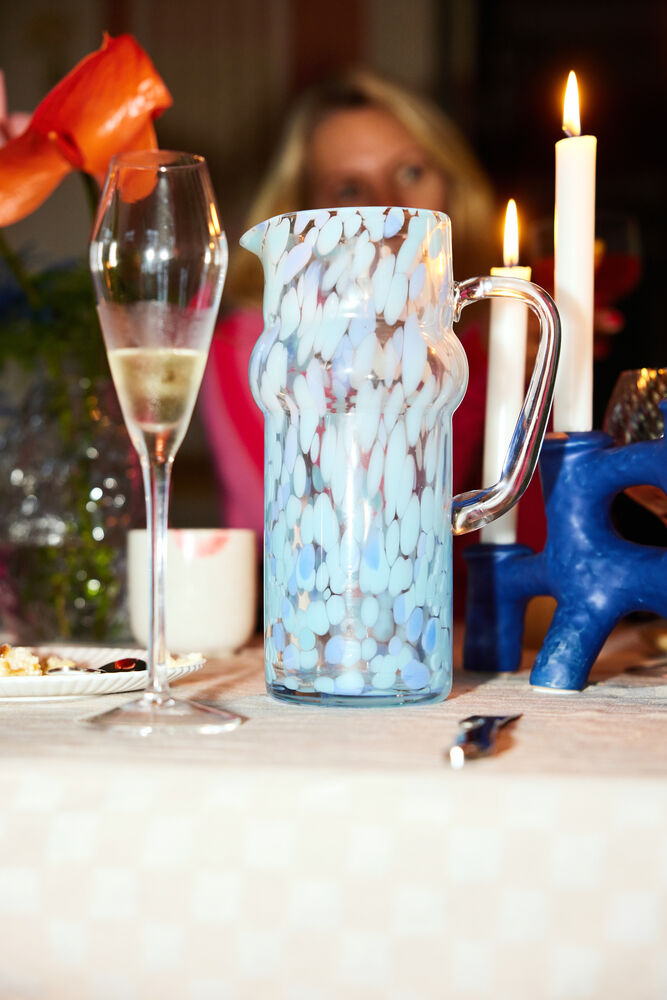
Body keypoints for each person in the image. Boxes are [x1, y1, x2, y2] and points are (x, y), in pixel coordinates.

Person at [200, 68, 545, 614]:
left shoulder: (497, 331)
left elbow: (538, 558)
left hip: (469, 639)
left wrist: (529, 378)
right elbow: (348, 538)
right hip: (325, 632)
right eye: (349, 188)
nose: (387, 208)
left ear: (452, 185)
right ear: (304, 216)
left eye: (410, 171)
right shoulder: (250, 350)